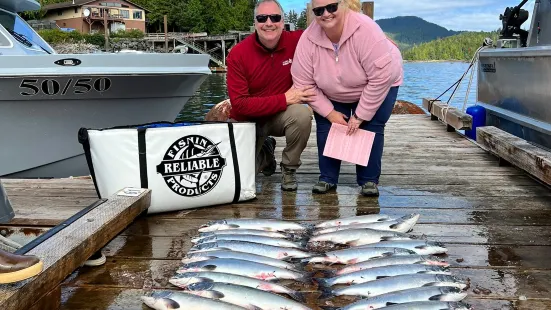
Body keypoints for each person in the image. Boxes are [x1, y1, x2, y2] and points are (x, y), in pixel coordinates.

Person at [291, 0, 403, 196]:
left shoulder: (366, 30)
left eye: (332, 7)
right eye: (319, 10)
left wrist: (360, 115)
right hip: (332, 89)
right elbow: (303, 83)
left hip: (381, 82)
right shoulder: (307, 39)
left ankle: (368, 181)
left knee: (371, 125)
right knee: (328, 124)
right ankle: (327, 178)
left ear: (343, 5)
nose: (326, 13)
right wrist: (330, 112)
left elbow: (381, 76)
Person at [226, 0, 315, 191]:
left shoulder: (298, 40)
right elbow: (240, 105)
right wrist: (284, 99)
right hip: (247, 120)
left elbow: (331, 25)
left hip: (279, 116)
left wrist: (377, 40)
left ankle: (289, 168)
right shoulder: (237, 54)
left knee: (302, 114)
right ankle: (266, 154)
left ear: (283, 22)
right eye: (262, 18)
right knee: (238, 177)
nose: (269, 23)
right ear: (255, 23)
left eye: (275, 17)